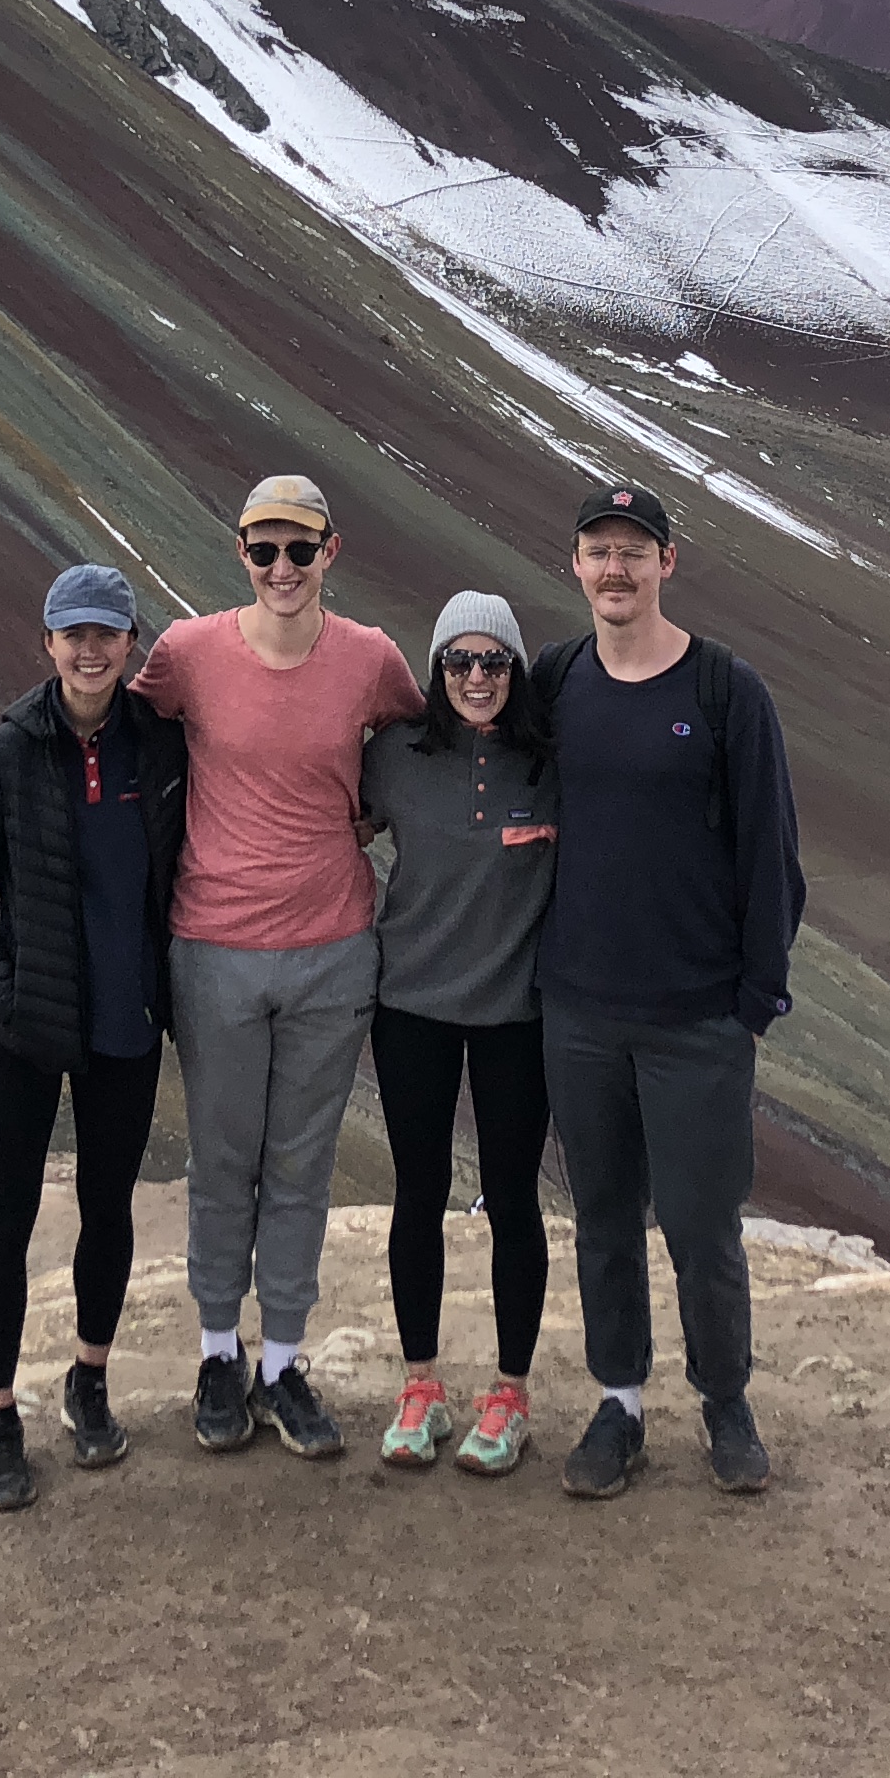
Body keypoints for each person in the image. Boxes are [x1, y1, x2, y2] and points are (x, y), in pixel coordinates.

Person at [135, 473, 425, 1459]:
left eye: (301, 550)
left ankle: (282, 1362)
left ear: (331, 554)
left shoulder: (372, 661)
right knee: (223, 1164)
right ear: (241, 555)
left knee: (300, 1170)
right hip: (213, 949)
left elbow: (415, 742)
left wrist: (378, 810)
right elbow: (126, 728)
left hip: (333, 954)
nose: (283, 568)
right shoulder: (187, 654)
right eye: (265, 550)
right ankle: (219, 1352)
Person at [530, 483, 805, 1501]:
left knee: (700, 1223)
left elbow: (771, 854)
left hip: (697, 1017)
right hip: (582, 1008)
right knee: (603, 1215)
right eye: (599, 550)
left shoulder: (725, 693)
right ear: (576, 566)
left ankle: (724, 1401)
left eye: (634, 551)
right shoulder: (557, 680)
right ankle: (620, 1405)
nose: (616, 568)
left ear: (667, 565)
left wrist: (752, 1000)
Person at [0, 562, 191, 1515]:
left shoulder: (157, 748)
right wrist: (3, 993)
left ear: (130, 644)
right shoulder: (2, 758)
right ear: (47, 643)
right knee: (8, 1217)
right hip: (24, 1035)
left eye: (107, 633)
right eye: (72, 634)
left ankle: (89, 1379)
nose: (90, 650)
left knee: (107, 1206)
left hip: (126, 1022)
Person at [360, 591, 559, 1476]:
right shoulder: (395, 757)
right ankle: (422, 1386)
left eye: (494, 662)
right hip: (411, 1007)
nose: (477, 678)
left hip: (518, 1014)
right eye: (458, 662)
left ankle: (510, 1393)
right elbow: (332, 822)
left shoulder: (550, 763)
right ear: (435, 671)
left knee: (514, 1201)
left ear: (515, 672)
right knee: (419, 1194)